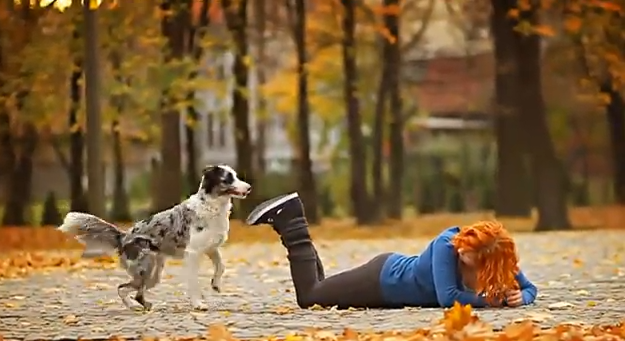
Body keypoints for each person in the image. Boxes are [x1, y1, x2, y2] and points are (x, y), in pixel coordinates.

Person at [245, 192, 538, 309]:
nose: (462, 250)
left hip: (386, 282)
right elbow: (447, 297)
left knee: (321, 290)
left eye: (470, 253)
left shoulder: (500, 260)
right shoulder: (446, 245)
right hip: (382, 280)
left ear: (489, 261)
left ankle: (293, 219)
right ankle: (291, 219)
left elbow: (530, 289)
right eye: (465, 244)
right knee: (309, 297)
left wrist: (520, 298)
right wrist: (491, 301)